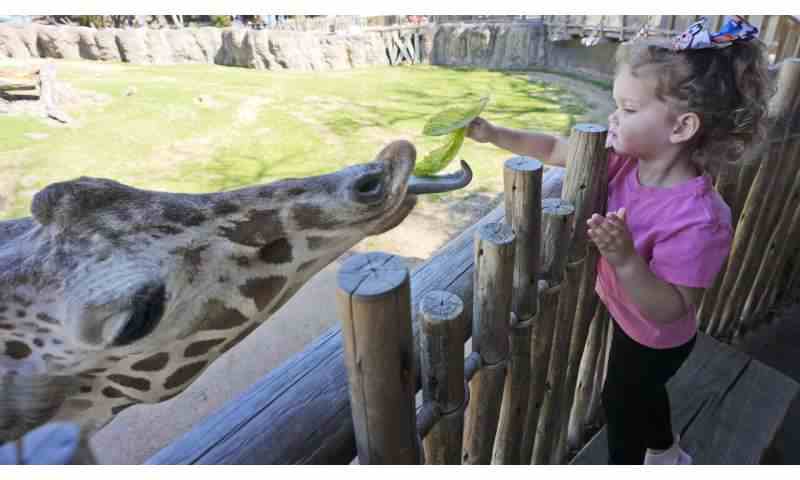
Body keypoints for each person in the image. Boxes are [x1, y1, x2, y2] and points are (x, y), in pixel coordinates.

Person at [465, 16, 770, 464]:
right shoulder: (621, 161)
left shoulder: (700, 221)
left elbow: (671, 306)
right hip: (626, 318)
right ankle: (668, 453)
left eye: (628, 109)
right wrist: (494, 134)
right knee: (645, 395)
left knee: (622, 401)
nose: (612, 118)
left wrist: (626, 259)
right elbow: (553, 149)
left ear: (682, 128)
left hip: (658, 337)